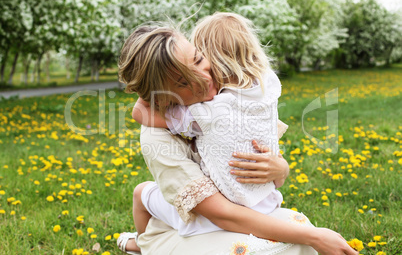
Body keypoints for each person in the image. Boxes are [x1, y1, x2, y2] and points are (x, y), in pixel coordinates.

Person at [117, 14, 358, 255]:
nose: (203, 77)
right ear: (161, 95)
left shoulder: (231, 101)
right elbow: (222, 214)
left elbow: (269, 167)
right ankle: (144, 241)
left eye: (199, 59)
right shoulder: (160, 132)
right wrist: (316, 237)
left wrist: (280, 168)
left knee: (297, 233)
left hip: (237, 213)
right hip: (203, 220)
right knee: (266, 249)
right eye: (182, 81)